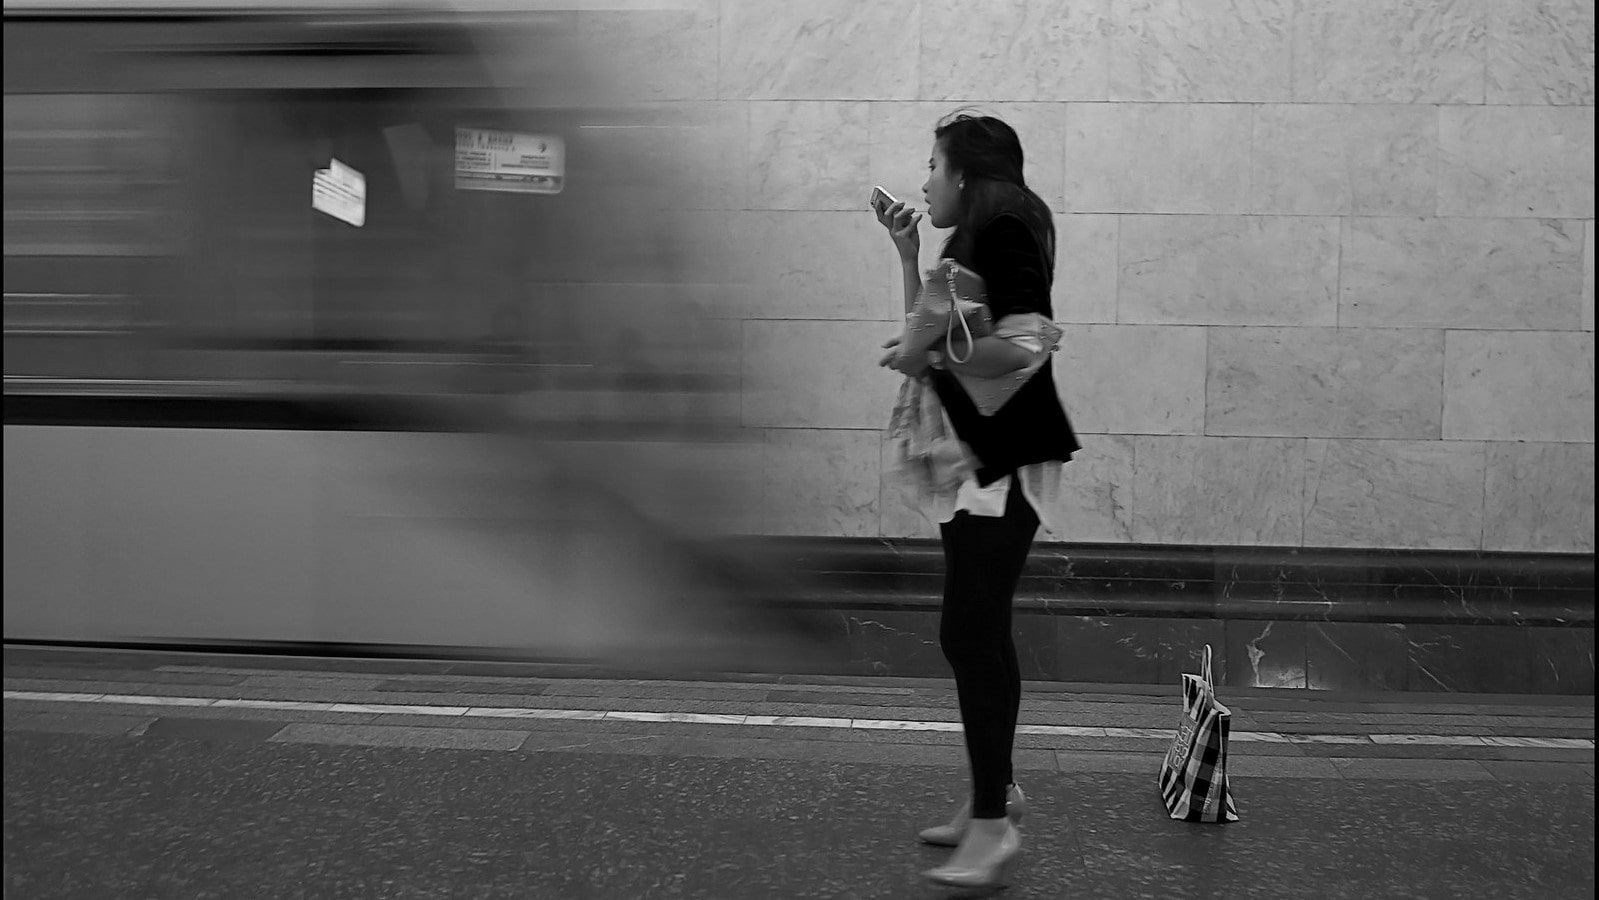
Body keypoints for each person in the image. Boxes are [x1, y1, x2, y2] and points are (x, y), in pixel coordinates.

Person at [876, 111, 1080, 890]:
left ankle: (992, 824)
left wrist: (927, 349)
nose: (924, 180)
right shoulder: (971, 237)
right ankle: (994, 794)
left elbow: (1025, 343)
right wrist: (907, 255)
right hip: (974, 459)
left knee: (968, 629)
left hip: (1001, 460)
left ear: (964, 174)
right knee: (978, 629)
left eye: (932, 164)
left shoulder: (1005, 229)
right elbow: (927, 335)